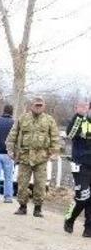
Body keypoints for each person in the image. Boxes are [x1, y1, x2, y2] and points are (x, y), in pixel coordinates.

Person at [7, 97, 60, 217]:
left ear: (44, 106)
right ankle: (22, 206)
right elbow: (13, 134)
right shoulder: (23, 118)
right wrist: (10, 150)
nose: (38, 107)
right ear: (32, 106)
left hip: (41, 157)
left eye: (40, 105)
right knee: (22, 183)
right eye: (36, 105)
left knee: (40, 184)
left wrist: (54, 152)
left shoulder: (49, 120)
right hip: (24, 156)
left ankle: (38, 208)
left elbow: (55, 137)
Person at [64, 100, 91, 237]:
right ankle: (70, 219)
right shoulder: (82, 121)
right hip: (81, 164)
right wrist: (79, 115)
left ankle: (88, 229)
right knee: (83, 196)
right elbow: (70, 135)